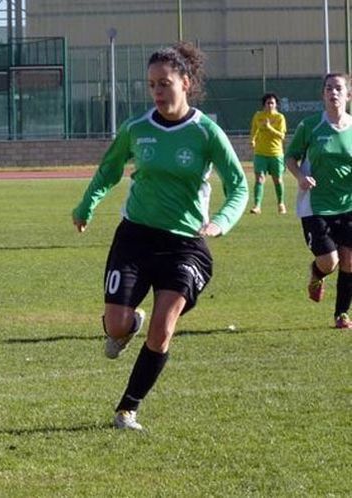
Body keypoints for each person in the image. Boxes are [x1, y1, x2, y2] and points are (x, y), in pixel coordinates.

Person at [71, 42, 248, 431]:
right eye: (152, 85)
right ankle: (128, 324)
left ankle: (127, 409)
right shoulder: (137, 129)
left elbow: (238, 186)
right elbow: (109, 170)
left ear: (185, 83)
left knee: (164, 326)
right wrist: (87, 205)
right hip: (134, 237)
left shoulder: (206, 132)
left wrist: (220, 221)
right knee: (115, 326)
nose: (158, 92)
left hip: (185, 245)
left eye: (165, 83)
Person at [285, 72, 352, 329]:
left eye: (338, 88)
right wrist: (301, 176)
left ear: (347, 95)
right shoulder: (310, 125)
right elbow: (290, 157)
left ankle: (341, 314)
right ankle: (316, 273)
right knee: (330, 262)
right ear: (323, 94)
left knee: (349, 261)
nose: (333, 93)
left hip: (348, 204)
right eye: (328, 89)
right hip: (316, 205)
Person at [249, 93, 287, 214]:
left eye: (272, 103)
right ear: (264, 104)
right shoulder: (258, 116)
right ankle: (257, 206)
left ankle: (281, 203)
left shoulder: (280, 117)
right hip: (260, 153)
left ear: (276, 105)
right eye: (268, 103)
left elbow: (282, 136)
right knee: (259, 179)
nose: (270, 105)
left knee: (278, 180)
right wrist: (252, 140)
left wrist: (270, 127)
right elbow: (254, 130)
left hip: (276, 153)